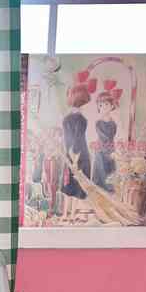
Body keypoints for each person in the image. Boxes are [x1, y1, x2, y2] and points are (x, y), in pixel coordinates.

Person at [61, 84, 92, 223]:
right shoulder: (74, 118)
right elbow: (68, 139)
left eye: (69, 94)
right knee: (69, 186)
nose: (67, 97)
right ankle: (67, 215)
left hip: (78, 156)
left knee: (73, 186)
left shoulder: (78, 119)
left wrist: (74, 157)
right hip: (72, 155)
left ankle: (71, 215)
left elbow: (77, 140)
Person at [91, 91, 118, 193]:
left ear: (112, 106)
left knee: (110, 174)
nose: (104, 107)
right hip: (101, 151)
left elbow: (112, 136)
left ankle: (109, 192)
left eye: (106, 104)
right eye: (101, 105)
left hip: (110, 150)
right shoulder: (98, 123)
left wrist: (112, 151)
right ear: (98, 107)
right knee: (101, 175)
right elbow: (104, 137)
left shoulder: (113, 123)